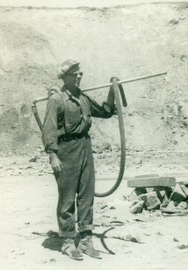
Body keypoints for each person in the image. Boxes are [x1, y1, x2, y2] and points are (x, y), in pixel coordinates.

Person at [42, 59, 116, 260]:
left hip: (85, 147)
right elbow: (48, 129)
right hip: (66, 150)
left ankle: (85, 239)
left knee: (86, 194)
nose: (79, 76)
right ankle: (67, 241)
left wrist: (113, 89)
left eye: (80, 73)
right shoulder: (56, 100)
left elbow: (106, 111)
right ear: (65, 77)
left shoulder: (83, 98)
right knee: (67, 197)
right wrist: (52, 154)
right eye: (75, 73)